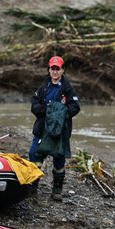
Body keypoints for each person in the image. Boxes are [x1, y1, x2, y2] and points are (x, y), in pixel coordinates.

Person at [29, 56, 80, 202]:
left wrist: (60, 113)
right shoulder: (43, 88)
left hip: (60, 132)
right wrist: (48, 112)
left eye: (58, 69)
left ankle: (57, 190)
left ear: (63, 70)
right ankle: (33, 189)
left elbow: (75, 107)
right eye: (53, 69)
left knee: (59, 160)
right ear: (49, 70)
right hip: (42, 130)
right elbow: (34, 106)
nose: (55, 72)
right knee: (34, 155)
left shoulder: (68, 89)